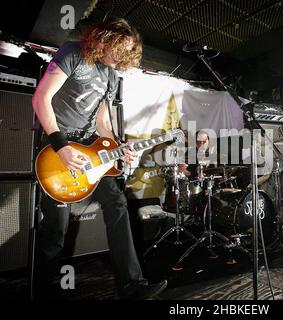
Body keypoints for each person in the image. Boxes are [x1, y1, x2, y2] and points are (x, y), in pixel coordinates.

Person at [32, 18, 167, 299]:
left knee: (117, 203)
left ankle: (132, 285)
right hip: (58, 148)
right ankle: (43, 291)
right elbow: (41, 98)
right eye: (120, 47)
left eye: (128, 51)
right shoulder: (72, 53)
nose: (122, 56)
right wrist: (61, 146)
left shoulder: (111, 76)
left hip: (89, 150)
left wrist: (118, 146)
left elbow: (102, 122)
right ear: (104, 38)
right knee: (57, 225)